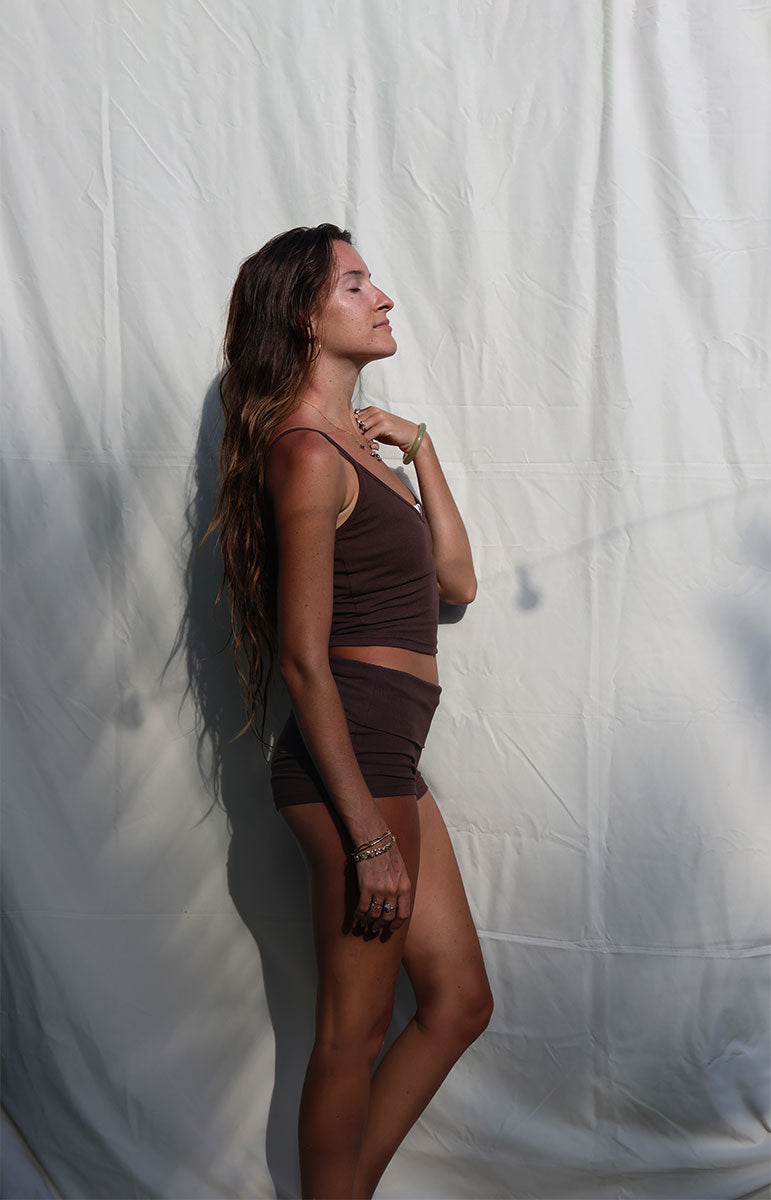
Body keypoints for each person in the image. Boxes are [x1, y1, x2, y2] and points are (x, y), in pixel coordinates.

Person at [211, 223, 493, 1200]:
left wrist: (424, 452)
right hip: (351, 769)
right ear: (303, 314)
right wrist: (368, 837)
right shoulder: (304, 454)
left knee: (457, 1001)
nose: (383, 298)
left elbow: (457, 581)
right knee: (354, 1030)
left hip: (388, 756)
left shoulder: (359, 452)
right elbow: (300, 655)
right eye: (356, 283)